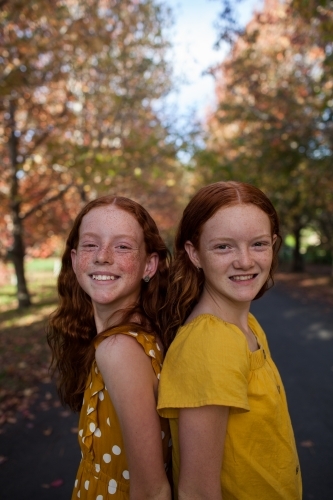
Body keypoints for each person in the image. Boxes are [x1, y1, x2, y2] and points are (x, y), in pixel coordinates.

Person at [157, 181, 302, 500]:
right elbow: (197, 492)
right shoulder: (211, 343)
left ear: (274, 244)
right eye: (224, 247)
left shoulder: (247, 323)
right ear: (194, 253)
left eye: (259, 244)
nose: (245, 261)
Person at [47, 195, 172, 500]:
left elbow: (153, 490)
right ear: (75, 259)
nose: (103, 256)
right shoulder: (139, 334)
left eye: (123, 246)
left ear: (149, 265)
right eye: (91, 245)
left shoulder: (119, 349)